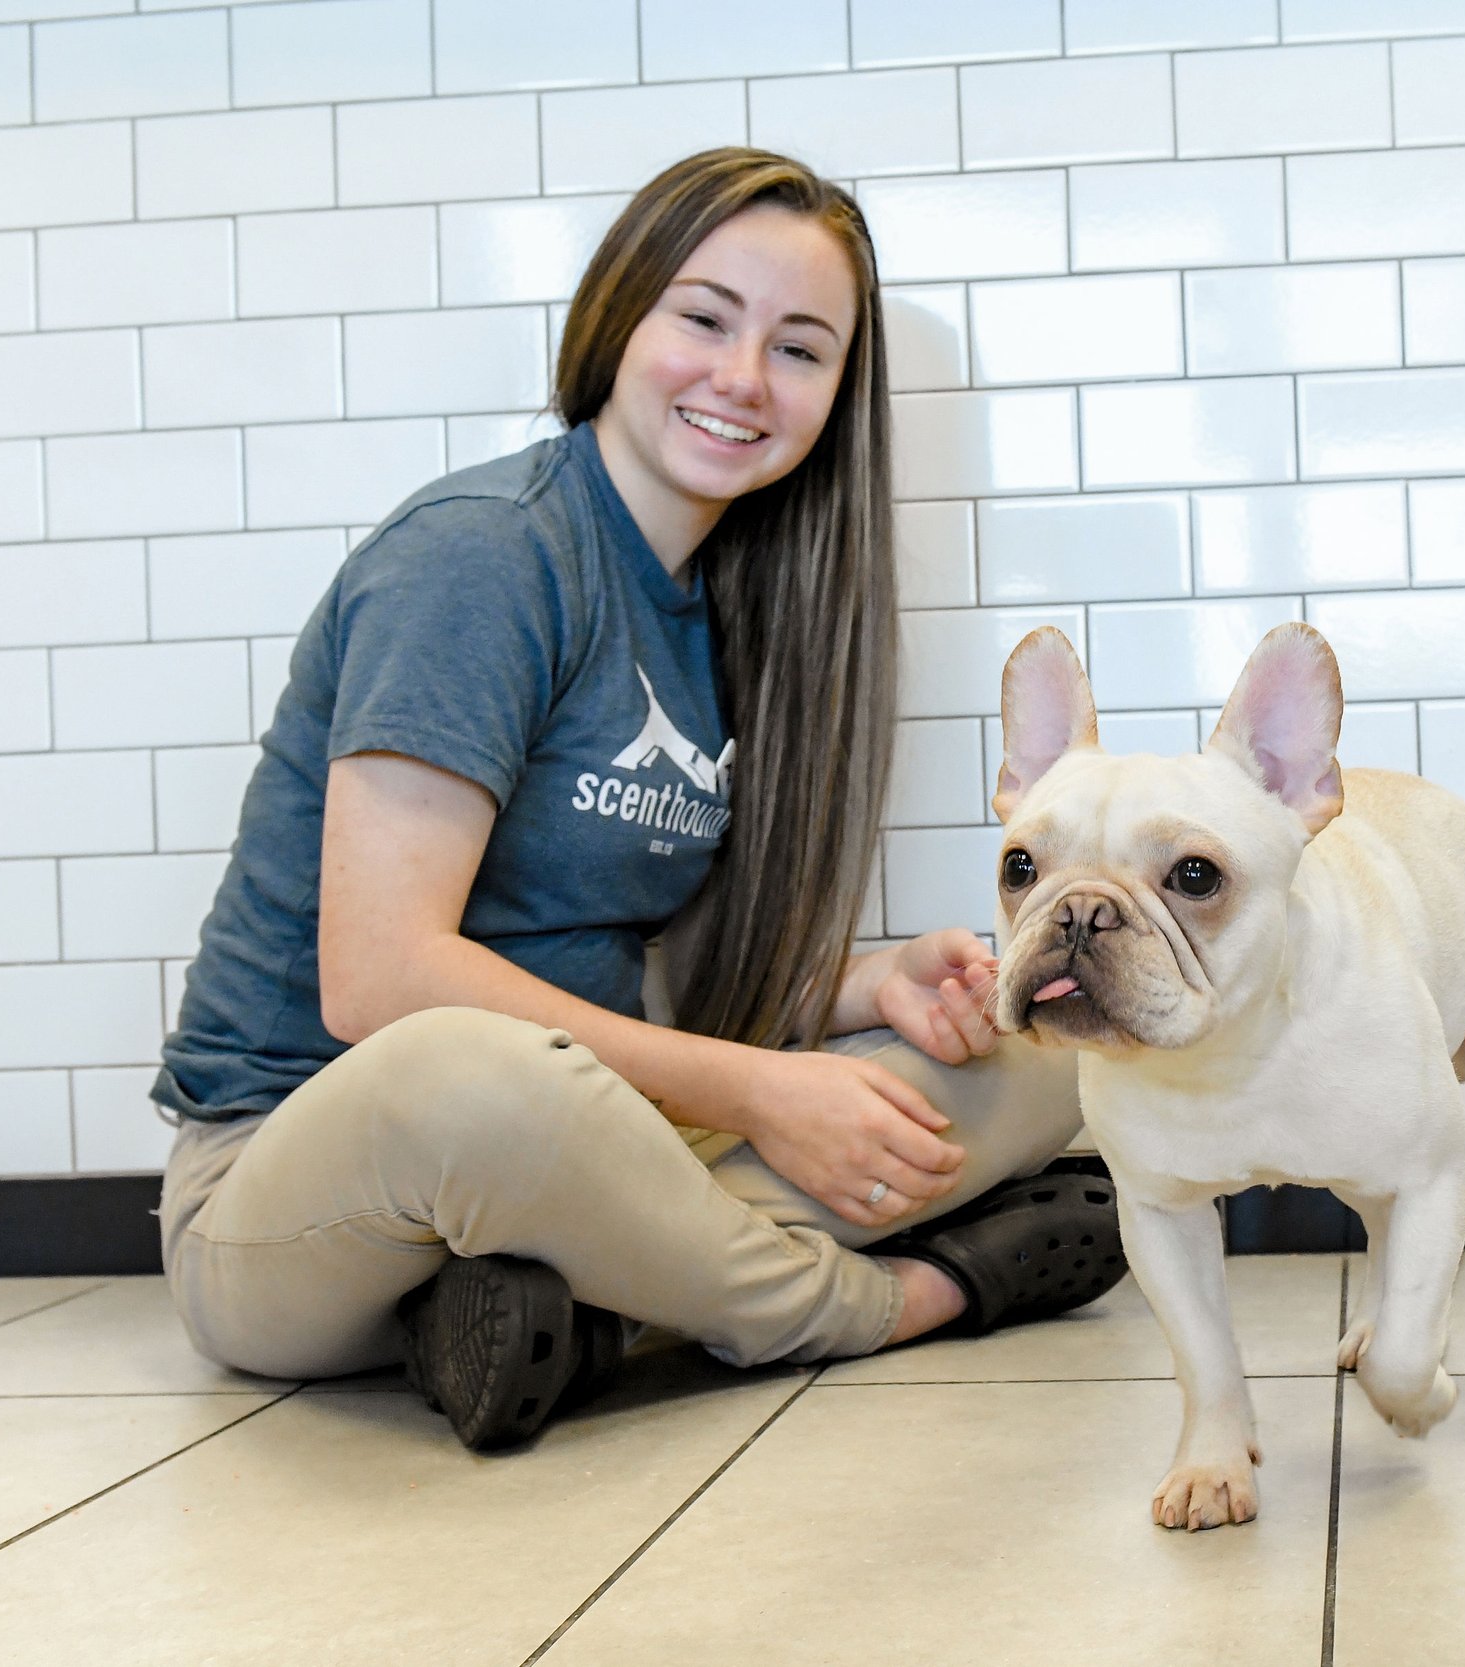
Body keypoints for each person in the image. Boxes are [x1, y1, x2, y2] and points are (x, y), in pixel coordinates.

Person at [151, 148, 1122, 1451]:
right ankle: (887, 1300)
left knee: (1044, 1056)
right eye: (704, 318)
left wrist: (869, 982)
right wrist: (765, 1093)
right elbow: (379, 985)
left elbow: (642, 966)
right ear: (621, 317)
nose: (741, 377)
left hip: (594, 1131)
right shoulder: (482, 560)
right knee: (478, 1082)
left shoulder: (727, 608)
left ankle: (562, 1311)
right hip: (298, 1183)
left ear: (839, 393)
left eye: (799, 347)